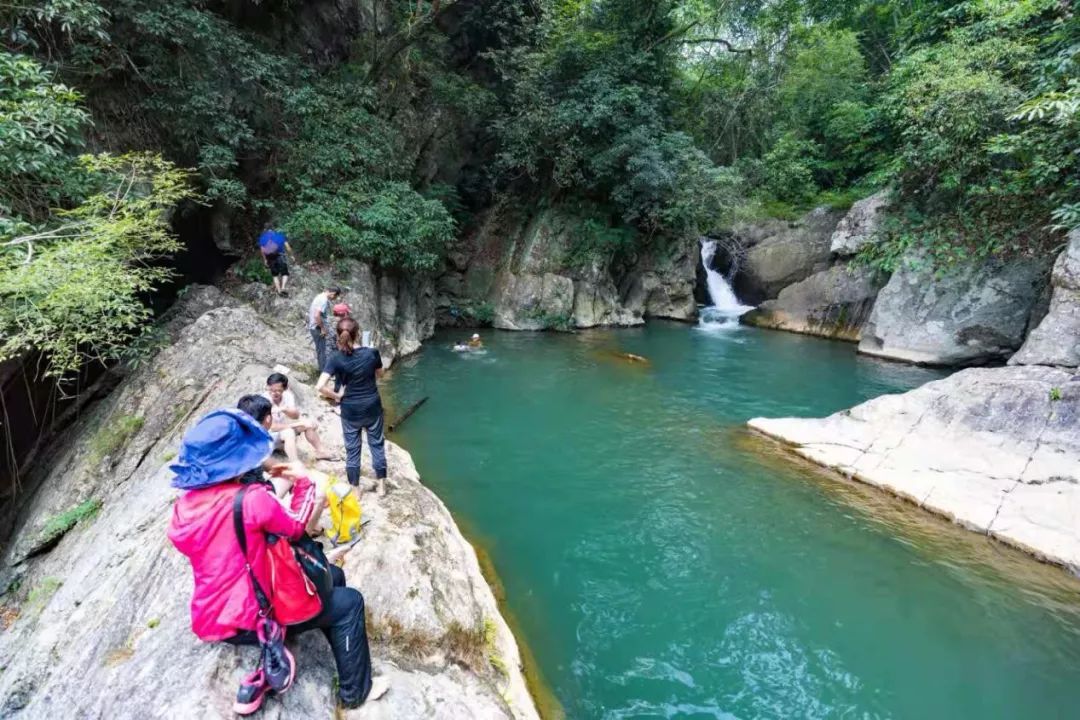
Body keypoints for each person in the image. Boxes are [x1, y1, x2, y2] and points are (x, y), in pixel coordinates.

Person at [167, 407, 386, 714]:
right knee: (350, 603)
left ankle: (324, 631)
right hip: (253, 618)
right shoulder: (251, 499)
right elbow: (296, 527)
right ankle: (355, 694)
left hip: (213, 617)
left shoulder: (184, 508)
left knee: (333, 575)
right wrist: (303, 484)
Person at [316, 317, 387, 493]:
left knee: (353, 449)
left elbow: (319, 387)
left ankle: (355, 490)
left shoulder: (335, 358)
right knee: (376, 444)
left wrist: (337, 395)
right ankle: (382, 486)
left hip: (350, 410)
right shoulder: (372, 353)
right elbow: (381, 375)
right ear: (358, 334)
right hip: (372, 406)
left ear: (338, 335)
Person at [260, 374, 333, 462]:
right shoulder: (264, 400)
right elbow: (272, 427)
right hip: (267, 437)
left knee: (309, 424)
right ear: (267, 387)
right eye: (271, 390)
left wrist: (284, 409)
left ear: (285, 388)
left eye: (278, 390)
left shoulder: (287, 396)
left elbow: (295, 415)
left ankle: (321, 452)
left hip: (280, 433)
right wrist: (299, 424)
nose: (274, 393)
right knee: (288, 432)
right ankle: (295, 463)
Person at [308, 286, 341, 371]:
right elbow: (316, 315)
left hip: (314, 326)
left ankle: (323, 370)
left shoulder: (319, 296)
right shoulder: (324, 300)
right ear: (333, 294)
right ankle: (324, 372)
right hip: (317, 327)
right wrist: (322, 328)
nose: (334, 298)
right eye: (335, 296)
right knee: (322, 351)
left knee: (321, 350)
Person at [258, 224, 294, 296]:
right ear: (274, 229)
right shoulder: (280, 235)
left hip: (270, 258)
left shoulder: (262, 238)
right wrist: (291, 255)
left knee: (275, 275)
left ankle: (279, 291)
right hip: (280, 256)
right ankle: (283, 287)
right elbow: (288, 247)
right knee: (285, 273)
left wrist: (265, 260)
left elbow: (262, 251)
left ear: (265, 230)